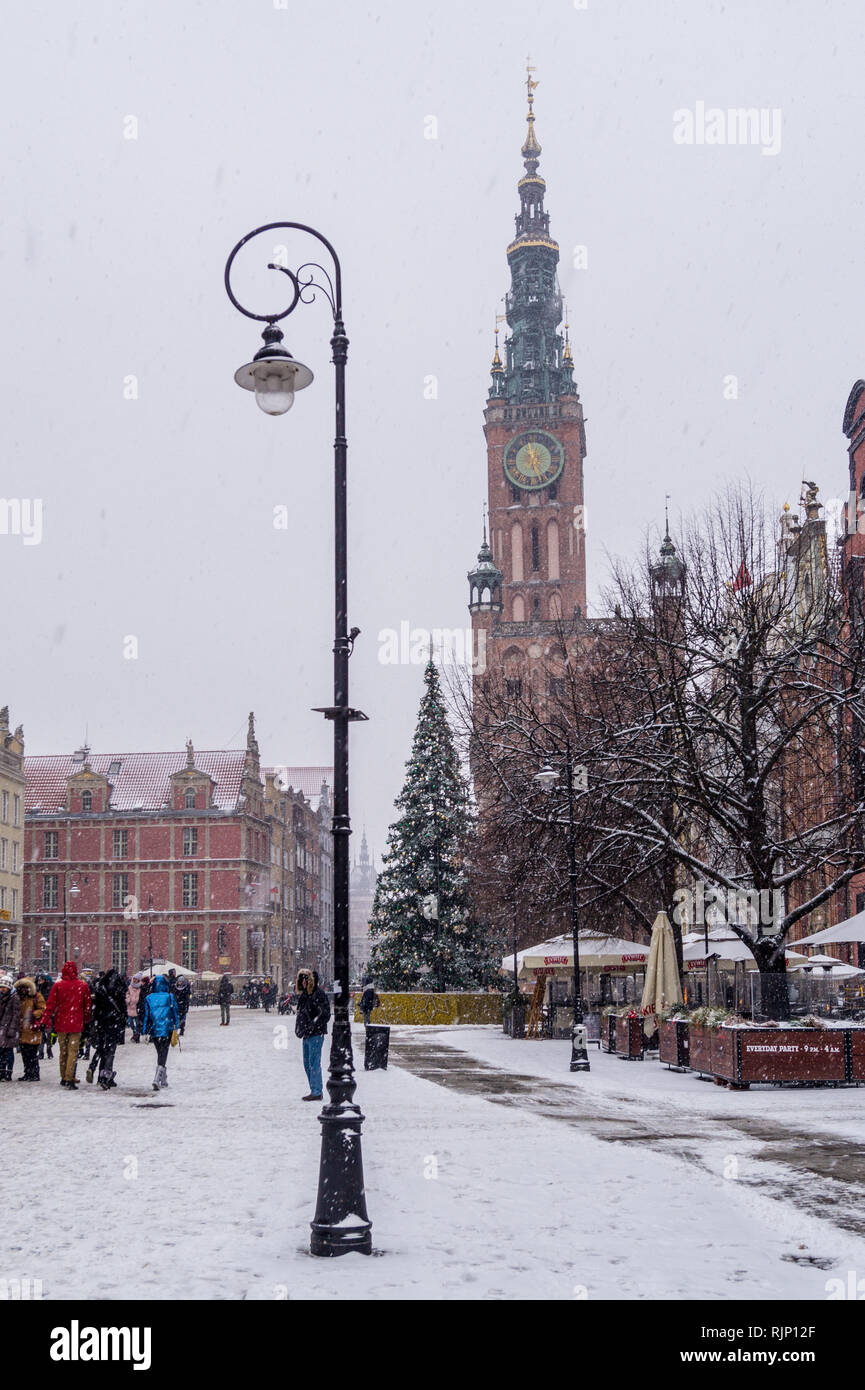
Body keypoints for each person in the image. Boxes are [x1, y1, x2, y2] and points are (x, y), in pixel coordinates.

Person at [41, 960, 92, 1089]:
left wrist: (44, 1020)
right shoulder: (83, 986)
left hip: (61, 1023)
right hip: (76, 1023)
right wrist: (86, 1020)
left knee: (63, 1051)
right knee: (72, 1051)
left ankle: (64, 1076)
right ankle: (69, 1078)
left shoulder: (58, 986)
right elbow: (87, 1006)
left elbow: (50, 1005)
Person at [294, 968, 330, 1101]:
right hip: (307, 1034)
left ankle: (316, 1091)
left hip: (315, 1034)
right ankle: (314, 1089)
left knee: (313, 1062)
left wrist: (313, 1024)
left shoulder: (318, 994)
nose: (302, 983)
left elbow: (324, 1014)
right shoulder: (305, 995)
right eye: (301, 980)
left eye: (304, 980)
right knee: (307, 1063)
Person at [88, 967, 127, 1090]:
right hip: (114, 1022)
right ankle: (105, 1077)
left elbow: (95, 1006)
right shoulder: (119, 989)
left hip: (101, 1022)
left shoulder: (101, 988)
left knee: (102, 1048)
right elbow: (123, 1007)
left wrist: (96, 1019)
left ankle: (96, 1070)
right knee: (110, 1050)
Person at [140, 974, 180, 1091]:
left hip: (155, 1030)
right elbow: (175, 1013)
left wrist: (144, 1032)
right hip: (167, 1029)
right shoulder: (169, 997)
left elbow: (146, 1016)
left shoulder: (149, 998)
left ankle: (163, 1078)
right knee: (164, 1052)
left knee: (159, 1052)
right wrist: (176, 1027)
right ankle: (157, 1078)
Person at [14, 976, 46, 1081]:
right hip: (22, 1029)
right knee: (24, 1053)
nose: (23, 989)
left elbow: (42, 1009)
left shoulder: (36, 996)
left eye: (25, 987)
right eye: (22, 987)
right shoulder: (18, 997)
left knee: (32, 1053)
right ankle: (28, 1072)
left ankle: (34, 1073)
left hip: (32, 1029)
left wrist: (34, 1014)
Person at [0, 973, 21, 1081]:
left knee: (8, 1051)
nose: (2, 989)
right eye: (1, 987)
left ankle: (8, 1072)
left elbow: (16, 1015)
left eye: (4, 987)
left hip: (8, 1029)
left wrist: (12, 1029)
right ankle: (2, 1072)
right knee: (1, 1051)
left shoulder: (14, 998)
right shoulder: (2, 997)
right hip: (2, 1028)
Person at [126, 973, 143, 1041]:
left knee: (137, 1023)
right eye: (134, 979)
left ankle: (136, 1035)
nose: (134, 980)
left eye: (136, 979)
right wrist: (128, 1000)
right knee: (131, 1023)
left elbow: (142, 996)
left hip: (137, 1008)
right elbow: (127, 994)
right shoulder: (129, 987)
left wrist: (139, 1002)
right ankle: (135, 1033)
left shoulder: (140, 987)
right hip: (130, 1007)